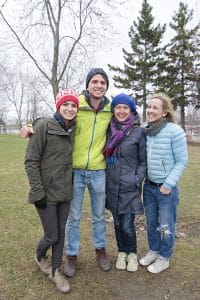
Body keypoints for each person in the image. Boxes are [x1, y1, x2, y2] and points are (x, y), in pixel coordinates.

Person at [24, 89, 79, 293]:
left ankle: (55, 271)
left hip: (65, 192)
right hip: (45, 193)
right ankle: (40, 256)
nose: (70, 108)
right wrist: (38, 192)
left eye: (73, 105)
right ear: (58, 106)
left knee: (61, 232)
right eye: (65, 104)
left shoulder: (74, 128)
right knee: (52, 235)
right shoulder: (44, 125)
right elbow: (31, 161)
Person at [64, 68, 112, 277]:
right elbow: (55, 118)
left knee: (99, 215)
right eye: (95, 81)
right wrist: (32, 127)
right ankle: (72, 255)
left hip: (98, 170)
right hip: (75, 170)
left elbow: (129, 120)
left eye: (103, 82)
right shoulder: (76, 105)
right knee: (73, 216)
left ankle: (100, 251)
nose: (99, 85)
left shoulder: (110, 109)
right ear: (87, 85)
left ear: (106, 86)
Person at [139, 92, 188, 274]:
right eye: (149, 107)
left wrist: (168, 184)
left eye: (155, 108)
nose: (150, 110)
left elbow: (182, 161)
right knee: (151, 222)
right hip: (149, 186)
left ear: (165, 112)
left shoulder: (174, 131)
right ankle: (154, 251)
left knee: (166, 225)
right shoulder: (146, 131)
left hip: (166, 189)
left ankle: (164, 258)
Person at [103, 93, 146, 272]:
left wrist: (136, 180)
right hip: (112, 186)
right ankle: (121, 252)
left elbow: (143, 161)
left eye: (125, 108)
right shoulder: (107, 129)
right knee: (117, 223)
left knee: (128, 224)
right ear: (113, 110)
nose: (121, 111)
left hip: (129, 186)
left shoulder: (138, 131)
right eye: (118, 107)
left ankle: (132, 253)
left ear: (131, 110)